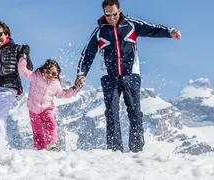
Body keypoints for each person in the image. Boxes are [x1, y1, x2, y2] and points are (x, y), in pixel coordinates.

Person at [75, 0, 181, 152]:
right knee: (111, 113)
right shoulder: (99, 32)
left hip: (131, 75)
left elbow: (152, 29)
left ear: (119, 11)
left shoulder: (132, 25)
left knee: (135, 113)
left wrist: (169, 32)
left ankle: (137, 151)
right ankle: (114, 150)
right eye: (108, 15)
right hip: (109, 78)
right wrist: (81, 74)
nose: (111, 18)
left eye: (114, 14)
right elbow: (87, 54)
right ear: (103, 13)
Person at [18, 55, 82, 151]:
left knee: (50, 123)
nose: (50, 75)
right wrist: (23, 58)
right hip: (33, 109)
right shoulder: (35, 77)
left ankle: (51, 144)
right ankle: (40, 148)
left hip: (46, 108)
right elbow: (22, 71)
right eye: (48, 72)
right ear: (43, 70)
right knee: (37, 131)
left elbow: (64, 93)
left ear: (57, 75)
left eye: (53, 73)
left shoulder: (56, 84)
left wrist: (75, 88)